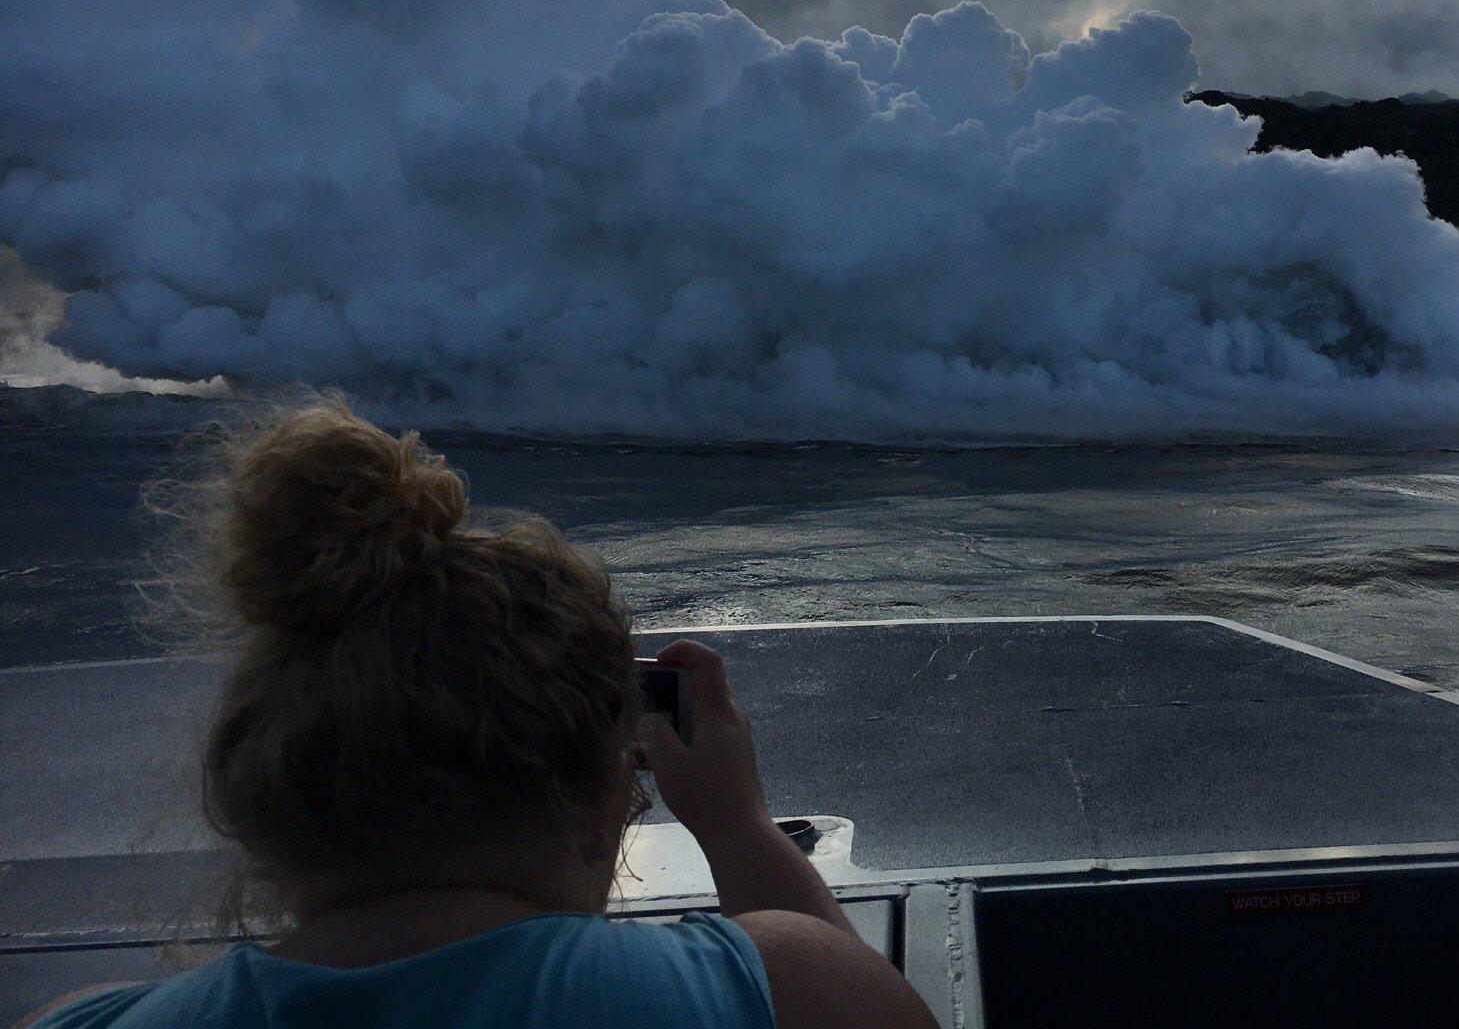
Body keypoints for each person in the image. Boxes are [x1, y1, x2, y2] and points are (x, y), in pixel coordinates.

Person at [15, 400, 937, 1029]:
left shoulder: (73, 1021)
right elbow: (849, 992)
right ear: (603, 799)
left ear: (269, 793)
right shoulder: (782, 986)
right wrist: (737, 827)